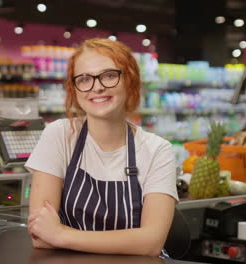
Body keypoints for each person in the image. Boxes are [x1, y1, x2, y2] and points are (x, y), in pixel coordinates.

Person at [25, 38, 178, 258]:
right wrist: (132, 241)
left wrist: (60, 235)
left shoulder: (157, 150)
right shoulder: (60, 135)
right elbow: (40, 235)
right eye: (85, 79)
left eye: (109, 76)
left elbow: (151, 243)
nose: (97, 87)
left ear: (130, 80)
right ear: (74, 88)